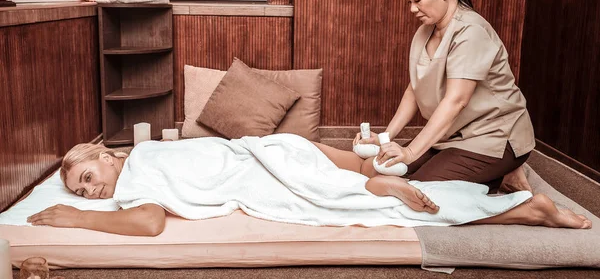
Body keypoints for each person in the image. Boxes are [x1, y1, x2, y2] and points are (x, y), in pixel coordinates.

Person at [27, 140, 591, 236]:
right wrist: (84, 210)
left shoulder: (138, 171)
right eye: (80, 193)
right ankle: (523, 208)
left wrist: (78, 221)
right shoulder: (146, 157)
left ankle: (532, 210)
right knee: (359, 190)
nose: (89, 192)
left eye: (86, 179)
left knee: (380, 211)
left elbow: (149, 222)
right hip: (273, 150)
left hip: (264, 171)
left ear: (105, 157)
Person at [355, 0, 535, 193]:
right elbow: (414, 89)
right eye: (408, 1)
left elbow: (456, 100)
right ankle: (498, 177)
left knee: (419, 189)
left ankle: (507, 174)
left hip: (494, 137)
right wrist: (385, 138)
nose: (412, 9)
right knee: (385, 169)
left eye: (417, 0)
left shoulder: (471, 31)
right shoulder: (424, 32)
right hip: (452, 135)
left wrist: (410, 152)